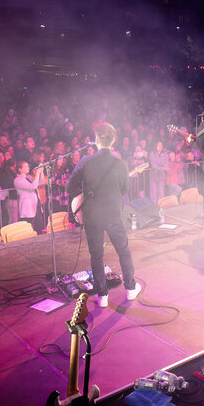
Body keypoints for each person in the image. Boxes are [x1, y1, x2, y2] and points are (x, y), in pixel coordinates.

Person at [67, 122, 139, 308]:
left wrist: (81, 197)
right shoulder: (121, 164)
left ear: (96, 140)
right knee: (123, 250)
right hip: (114, 213)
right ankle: (130, 289)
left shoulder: (85, 161)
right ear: (113, 140)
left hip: (92, 215)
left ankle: (102, 296)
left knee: (96, 255)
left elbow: (70, 186)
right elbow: (124, 190)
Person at [14, 160, 44, 232]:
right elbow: (32, 186)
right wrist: (37, 173)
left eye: (28, 166)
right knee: (28, 228)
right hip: (27, 207)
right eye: (26, 166)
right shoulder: (18, 180)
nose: (28, 168)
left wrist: (41, 171)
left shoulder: (29, 177)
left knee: (39, 226)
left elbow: (40, 182)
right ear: (20, 169)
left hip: (36, 204)